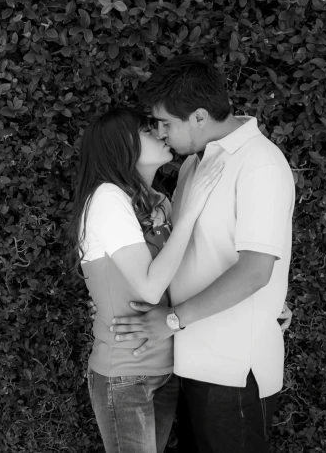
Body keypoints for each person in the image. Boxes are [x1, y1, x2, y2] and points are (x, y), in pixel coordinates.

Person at [109, 55, 296, 453]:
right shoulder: (197, 162)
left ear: (197, 116)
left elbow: (255, 271)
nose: (161, 134)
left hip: (232, 369)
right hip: (191, 360)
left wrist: (173, 320)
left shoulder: (259, 164)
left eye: (166, 124)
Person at [67, 108, 224, 453]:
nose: (161, 134)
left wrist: (263, 302)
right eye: (148, 131)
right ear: (124, 145)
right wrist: (191, 210)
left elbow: (189, 269)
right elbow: (150, 287)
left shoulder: (158, 203)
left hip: (167, 370)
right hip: (125, 374)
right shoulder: (107, 198)